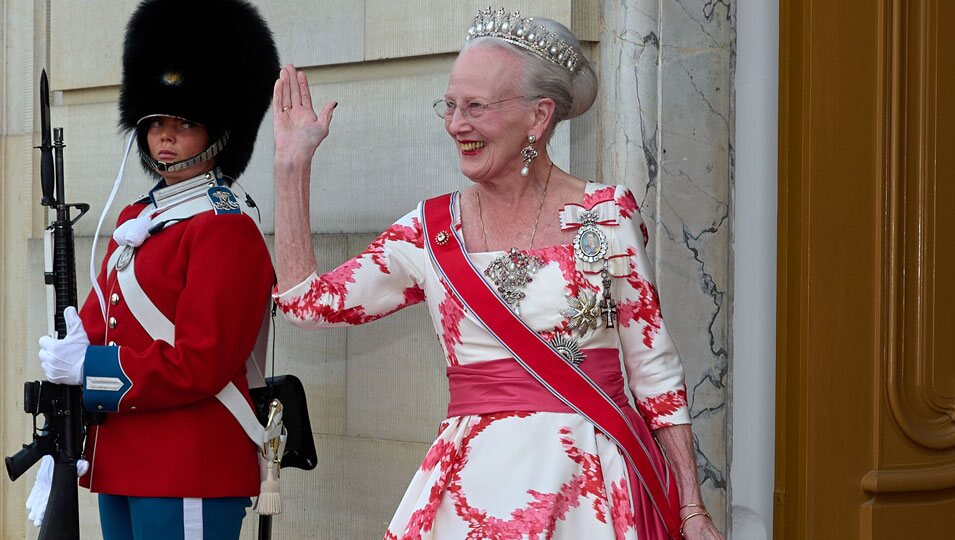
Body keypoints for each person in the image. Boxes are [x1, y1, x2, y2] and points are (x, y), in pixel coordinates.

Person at [272, 7, 723, 540]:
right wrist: (291, 168)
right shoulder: (430, 229)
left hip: (594, 494)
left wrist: (691, 509)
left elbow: (655, 373)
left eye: (477, 107)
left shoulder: (606, 214)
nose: (457, 124)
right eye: (451, 105)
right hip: (472, 493)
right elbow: (307, 305)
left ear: (538, 117)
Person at [31, 0, 279, 537]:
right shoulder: (137, 218)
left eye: (185, 123)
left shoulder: (224, 227)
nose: (165, 136)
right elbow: (99, 323)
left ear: (218, 133)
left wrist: (90, 370)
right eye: (156, 122)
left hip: (190, 463)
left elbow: (201, 362)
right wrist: (63, 398)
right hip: (120, 461)